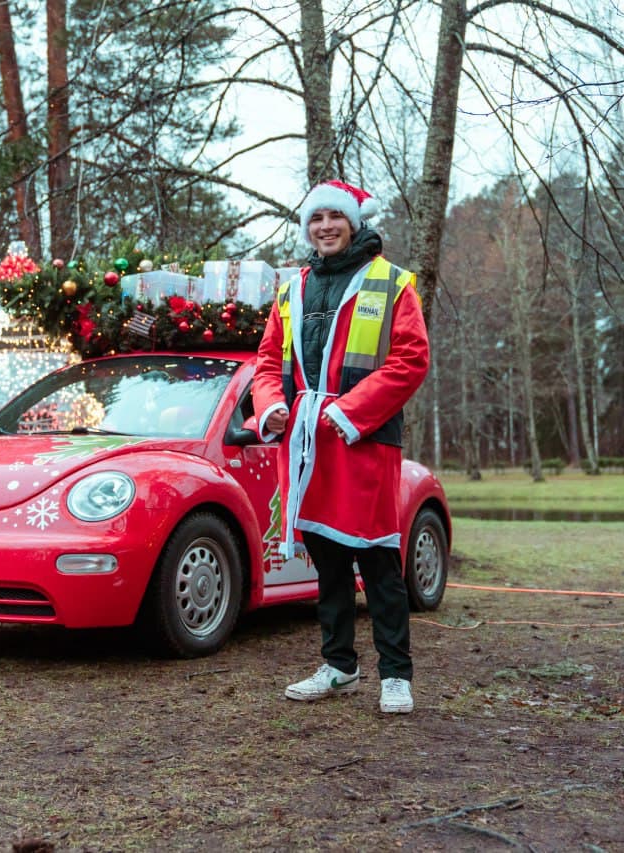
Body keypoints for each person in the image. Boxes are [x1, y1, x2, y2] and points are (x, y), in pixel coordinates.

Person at [252, 179, 430, 714]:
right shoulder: (292, 290)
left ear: (354, 223)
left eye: (334, 217)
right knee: (326, 560)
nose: (325, 227)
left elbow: (410, 360)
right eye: (316, 218)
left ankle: (395, 675)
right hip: (306, 442)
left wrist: (350, 412)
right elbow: (267, 362)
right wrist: (270, 407)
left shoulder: (392, 283)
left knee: (378, 560)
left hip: (364, 439)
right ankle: (339, 666)